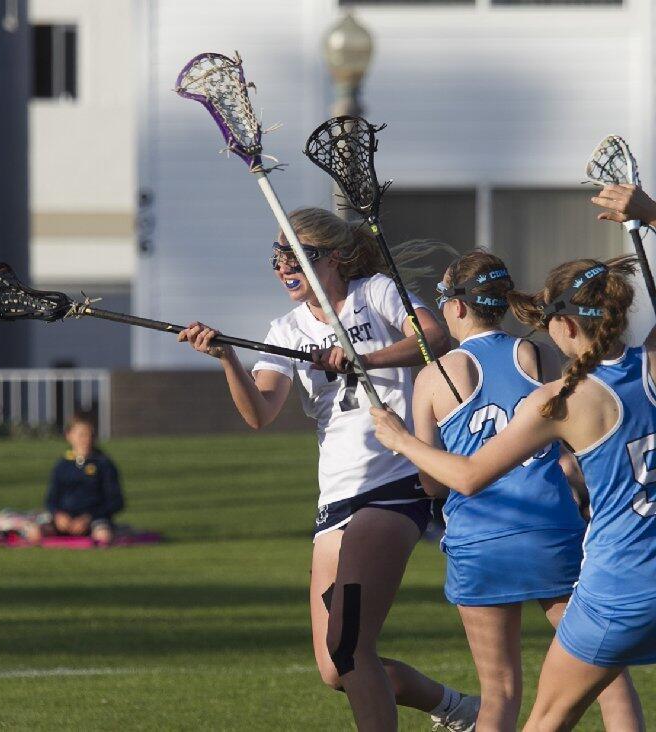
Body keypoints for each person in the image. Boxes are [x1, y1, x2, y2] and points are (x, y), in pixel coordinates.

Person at [177, 207, 478, 731]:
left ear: (333, 257)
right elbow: (260, 412)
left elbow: (435, 340)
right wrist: (226, 357)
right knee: (335, 668)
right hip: (334, 500)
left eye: (296, 255)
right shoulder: (286, 329)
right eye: (276, 258)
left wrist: (365, 359)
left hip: (391, 484)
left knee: (351, 644)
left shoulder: (377, 293)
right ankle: (457, 708)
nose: (283, 267)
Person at [372, 249, 654, 730]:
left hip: (610, 582)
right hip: (565, 537)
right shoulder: (643, 363)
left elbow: (459, 478)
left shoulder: (561, 399)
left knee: (525, 707)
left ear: (564, 325)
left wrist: (400, 440)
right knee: (612, 689)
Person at [30, 414, 124, 546]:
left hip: (94, 519)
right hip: (64, 520)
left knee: (103, 537)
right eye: (81, 435)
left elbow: (116, 501)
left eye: (90, 435)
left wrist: (88, 518)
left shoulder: (104, 464)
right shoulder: (62, 465)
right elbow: (51, 499)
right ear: (69, 436)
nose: (86, 439)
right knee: (34, 533)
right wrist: (58, 515)